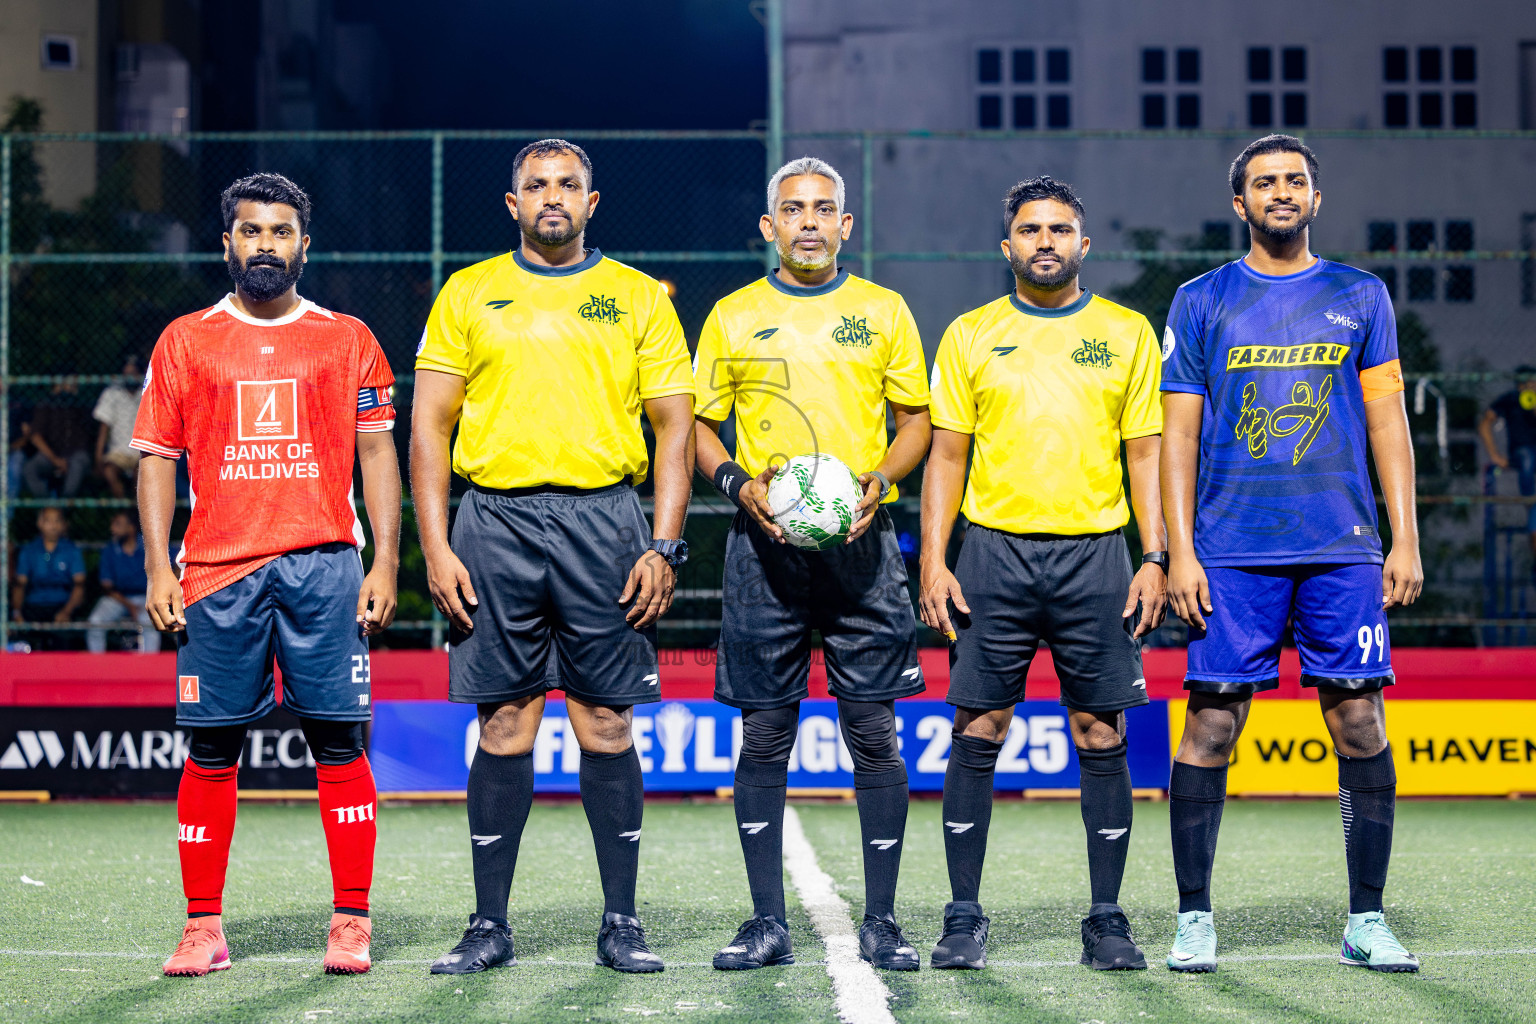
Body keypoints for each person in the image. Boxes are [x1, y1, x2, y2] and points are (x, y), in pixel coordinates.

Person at [412, 139, 694, 975]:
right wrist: (435, 545)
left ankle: (622, 922)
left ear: (591, 202)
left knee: (606, 724)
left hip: (605, 521)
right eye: (536, 185)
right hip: (493, 522)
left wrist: (663, 544)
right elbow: (428, 426)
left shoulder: (638, 297)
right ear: (513, 204)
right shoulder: (468, 292)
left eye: (568, 184)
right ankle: (488, 925)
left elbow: (674, 428)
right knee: (504, 724)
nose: (552, 197)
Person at [1160, 135, 1422, 973]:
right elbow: (1177, 437)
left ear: (1315, 198)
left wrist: (1405, 536)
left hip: (1342, 547)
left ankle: (1367, 921)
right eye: (1265, 182)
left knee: (1359, 720)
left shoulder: (1361, 294)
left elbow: (1387, 422)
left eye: (1296, 180)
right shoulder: (1201, 300)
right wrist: (1177, 552)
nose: (1282, 191)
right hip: (1230, 549)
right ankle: (1194, 918)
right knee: (1212, 724)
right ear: (1239, 203)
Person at [134, 172, 401, 978]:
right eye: (251, 231)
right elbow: (157, 459)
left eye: (281, 232)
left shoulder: (347, 338)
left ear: (303, 246)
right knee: (212, 748)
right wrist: (158, 565)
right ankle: (202, 928)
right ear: (227, 242)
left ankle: (351, 920)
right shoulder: (185, 340)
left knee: (338, 741)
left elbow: (378, 452)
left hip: (325, 565)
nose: (265, 245)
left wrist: (387, 561)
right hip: (219, 573)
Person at [920, 176, 1167, 972]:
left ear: (1083, 244)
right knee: (978, 729)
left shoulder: (1127, 332)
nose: (1046, 241)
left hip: (1097, 556)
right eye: (1031, 230)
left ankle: (1107, 919)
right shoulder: (970, 334)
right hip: (993, 554)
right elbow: (946, 457)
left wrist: (1155, 556)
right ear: (1008, 247)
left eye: (1060, 229)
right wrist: (934, 560)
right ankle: (963, 917)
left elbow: (1145, 456)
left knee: (1101, 731)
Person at [695, 157, 932, 972]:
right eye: (793, 210)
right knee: (766, 733)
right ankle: (767, 922)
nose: (808, 222)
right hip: (764, 547)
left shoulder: (883, 310)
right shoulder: (733, 314)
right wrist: (738, 482)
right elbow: (699, 427)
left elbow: (915, 421)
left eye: (823, 209)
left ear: (845, 226)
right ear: (769, 226)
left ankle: (884, 921)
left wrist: (883, 480)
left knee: (873, 730)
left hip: (861, 544)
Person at [1476, 365, 1536, 584]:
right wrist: (1495, 455)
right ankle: (1530, 501)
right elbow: (1485, 423)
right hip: (1522, 454)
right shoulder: (1510, 399)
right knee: (1528, 460)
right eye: (1527, 383)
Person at [85, 510, 159, 653]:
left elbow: (173, 565)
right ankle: (96, 664)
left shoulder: (149, 545)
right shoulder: (109, 550)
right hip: (118, 598)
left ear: (131, 528)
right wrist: (129, 606)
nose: (112, 529)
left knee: (150, 623)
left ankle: (150, 664)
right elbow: (107, 587)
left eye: (117, 524)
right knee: (95, 621)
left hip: (147, 597)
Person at [13, 506, 87, 645]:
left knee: (65, 639)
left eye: (57, 521)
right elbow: (20, 585)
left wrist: (66, 611)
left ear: (63, 524)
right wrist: (17, 613)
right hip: (34, 606)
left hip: (62, 605)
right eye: (48, 521)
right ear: (39, 523)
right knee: (23, 640)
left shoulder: (72, 550)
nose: (53, 526)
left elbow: (79, 585)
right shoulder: (29, 550)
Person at [24, 381, 94, 498]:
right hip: (51, 454)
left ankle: (64, 505)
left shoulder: (82, 405)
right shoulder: (46, 404)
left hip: (75, 454)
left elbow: (88, 439)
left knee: (77, 464)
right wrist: (55, 459)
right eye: (69, 382)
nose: (73, 385)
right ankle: (47, 505)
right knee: (30, 468)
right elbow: (36, 437)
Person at [94, 351, 145, 498]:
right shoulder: (112, 392)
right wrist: (98, 458)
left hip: (140, 451)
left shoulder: (147, 392)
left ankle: (136, 509)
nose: (130, 376)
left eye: (134, 373)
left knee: (140, 474)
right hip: (117, 453)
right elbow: (103, 429)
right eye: (127, 373)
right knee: (109, 472)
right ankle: (122, 506)